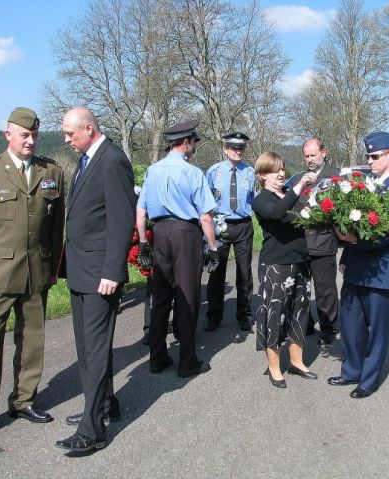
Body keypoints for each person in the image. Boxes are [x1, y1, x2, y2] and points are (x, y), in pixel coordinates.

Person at [0, 107, 65, 444]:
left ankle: (23, 400)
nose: (30, 140)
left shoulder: (51, 171)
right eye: (24, 135)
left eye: (34, 135)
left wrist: (53, 269)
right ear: (8, 135)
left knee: (32, 341)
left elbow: (56, 227)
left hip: (37, 272)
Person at [56, 107, 136, 453]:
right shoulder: (88, 158)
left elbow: (121, 220)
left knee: (95, 348)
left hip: (99, 274)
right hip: (80, 269)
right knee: (87, 349)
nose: (66, 139)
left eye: (69, 134)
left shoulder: (112, 159)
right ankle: (103, 405)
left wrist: (112, 271)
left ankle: (93, 430)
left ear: (88, 128)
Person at [328, 131, 389, 398]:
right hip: (356, 266)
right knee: (351, 322)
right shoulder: (367, 185)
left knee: (376, 328)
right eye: (367, 156)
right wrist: (346, 254)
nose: (370, 161)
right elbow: (352, 224)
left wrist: (355, 239)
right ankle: (351, 369)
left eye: (375, 156)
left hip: (380, 270)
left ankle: (369, 378)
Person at [136, 119, 219, 379]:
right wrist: (213, 248)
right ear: (186, 143)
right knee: (187, 295)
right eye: (193, 142)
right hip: (185, 233)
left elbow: (141, 210)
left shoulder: (152, 170)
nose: (193, 146)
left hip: (159, 233)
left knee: (161, 296)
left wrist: (143, 242)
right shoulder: (193, 173)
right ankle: (187, 361)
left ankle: (157, 357)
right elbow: (205, 216)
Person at [252, 152, 318, 388]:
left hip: (300, 261)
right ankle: (274, 368)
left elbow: (304, 218)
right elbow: (277, 213)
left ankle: (297, 362)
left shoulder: (289, 196)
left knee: (299, 312)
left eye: (282, 169)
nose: (281, 174)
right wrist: (299, 185)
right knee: (275, 315)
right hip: (276, 266)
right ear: (262, 175)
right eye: (274, 170)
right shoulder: (261, 200)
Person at [285, 138, 340, 345]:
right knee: (301, 288)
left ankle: (328, 327)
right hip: (300, 244)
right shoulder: (297, 178)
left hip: (323, 242)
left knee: (325, 289)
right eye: (306, 156)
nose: (310, 159)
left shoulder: (336, 176)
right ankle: (304, 324)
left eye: (313, 155)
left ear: (323, 153)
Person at [204, 132, 256, 332]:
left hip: (243, 225)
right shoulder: (213, 171)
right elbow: (206, 200)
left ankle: (244, 314)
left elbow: (255, 199)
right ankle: (214, 316)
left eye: (241, 148)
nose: (238, 151)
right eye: (234, 148)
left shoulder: (250, 172)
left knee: (244, 272)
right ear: (225, 149)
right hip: (221, 225)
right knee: (216, 271)